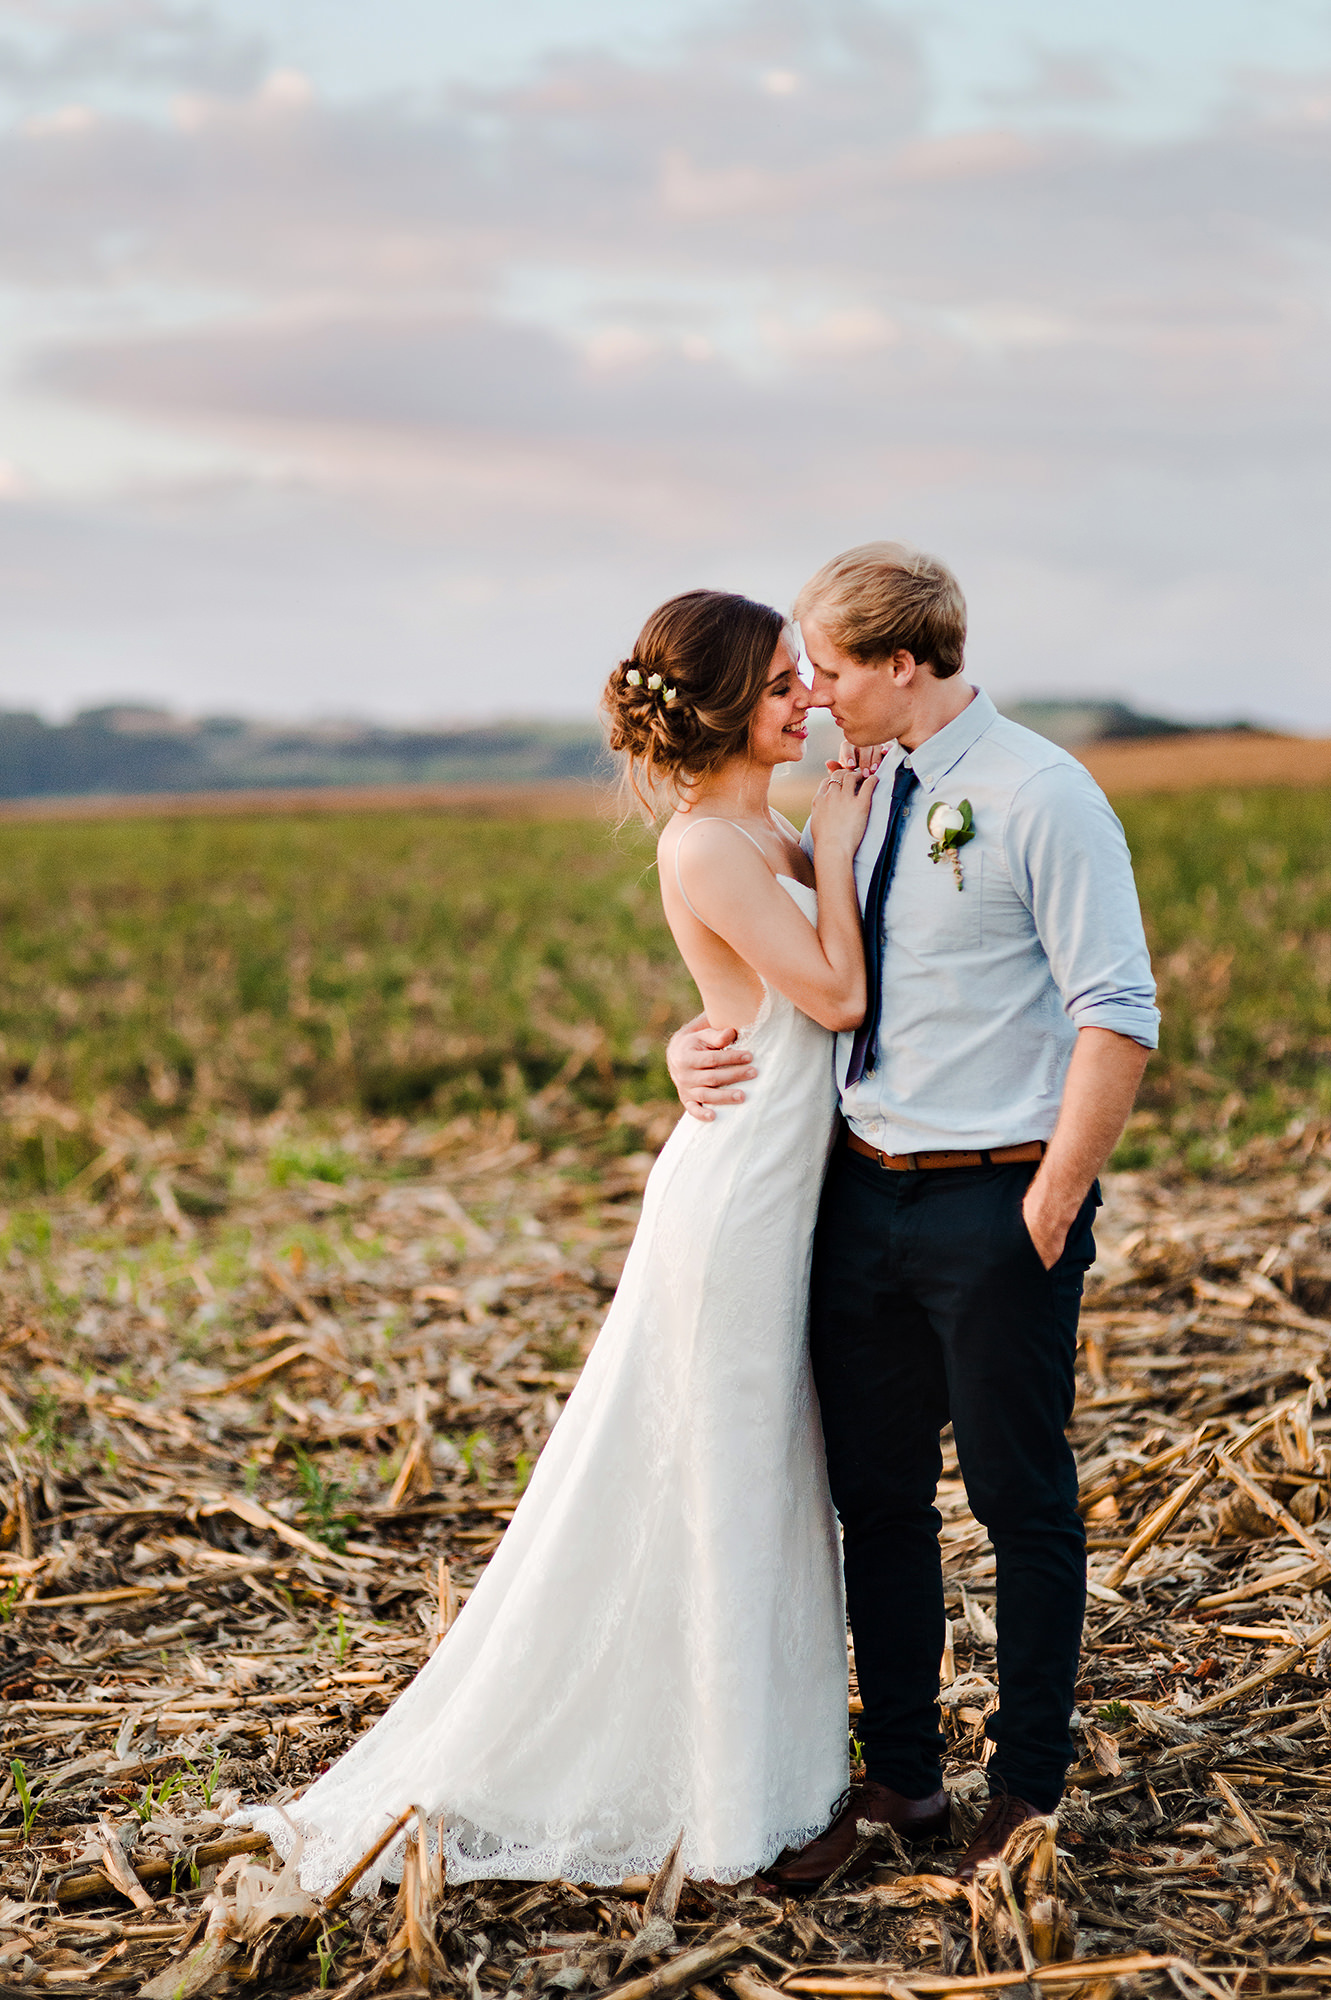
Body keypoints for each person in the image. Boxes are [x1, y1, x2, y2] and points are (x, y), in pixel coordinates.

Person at [236, 588, 879, 1891]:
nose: (804, 700)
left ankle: (780, 1775)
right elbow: (835, 992)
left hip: (767, 1172)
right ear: (718, 713)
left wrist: (814, 864)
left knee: (765, 1472)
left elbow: (748, 1003)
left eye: (799, 682)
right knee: (727, 1477)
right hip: (736, 1199)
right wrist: (846, 849)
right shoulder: (709, 844)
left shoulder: (761, 827)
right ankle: (731, 1820)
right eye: (778, 687)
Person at [668, 543, 1159, 1884]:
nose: (811, 696)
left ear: (899, 665)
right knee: (877, 1503)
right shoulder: (865, 790)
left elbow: (1115, 1012)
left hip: (997, 1207)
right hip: (854, 1198)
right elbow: (773, 965)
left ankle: (1029, 1790)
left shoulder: (1041, 796)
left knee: (1019, 1500)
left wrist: (1051, 1201)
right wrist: (690, 1043)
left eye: (825, 669)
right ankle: (900, 1785)